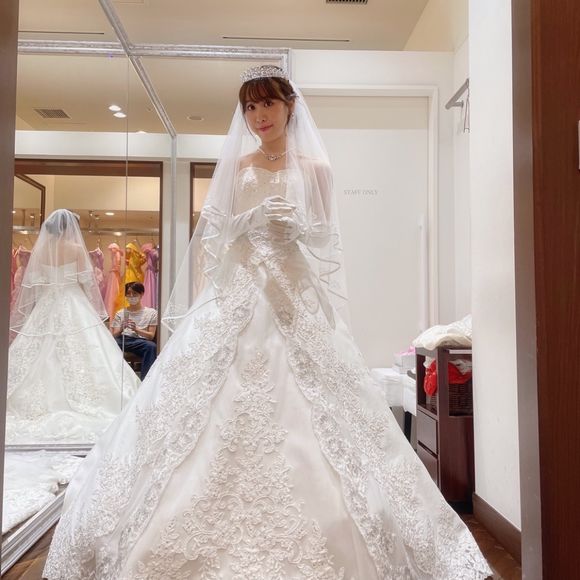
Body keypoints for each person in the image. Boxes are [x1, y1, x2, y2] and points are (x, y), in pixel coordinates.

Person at [43, 67, 491, 579]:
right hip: (240, 292)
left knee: (319, 401)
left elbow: (326, 238)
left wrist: (298, 228)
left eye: (268, 104)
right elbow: (216, 238)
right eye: (250, 107)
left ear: (289, 106)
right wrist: (249, 221)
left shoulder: (316, 168)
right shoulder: (238, 167)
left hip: (294, 293)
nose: (259, 116)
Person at [6, 209, 139, 444]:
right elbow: (86, 282)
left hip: (47, 303)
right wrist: (91, 308)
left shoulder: (42, 250)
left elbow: (36, 283)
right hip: (73, 300)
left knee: (40, 350)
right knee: (85, 349)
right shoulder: (76, 249)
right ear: (70, 228)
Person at [111, 281, 158, 379]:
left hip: (141, 341)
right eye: (128, 294)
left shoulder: (151, 313)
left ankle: (147, 380)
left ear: (141, 294)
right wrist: (121, 329)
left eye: (135, 293)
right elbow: (114, 335)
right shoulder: (120, 313)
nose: (131, 296)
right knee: (109, 343)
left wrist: (136, 329)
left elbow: (151, 336)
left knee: (151, 346)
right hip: (123, 339)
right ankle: (114, 378)